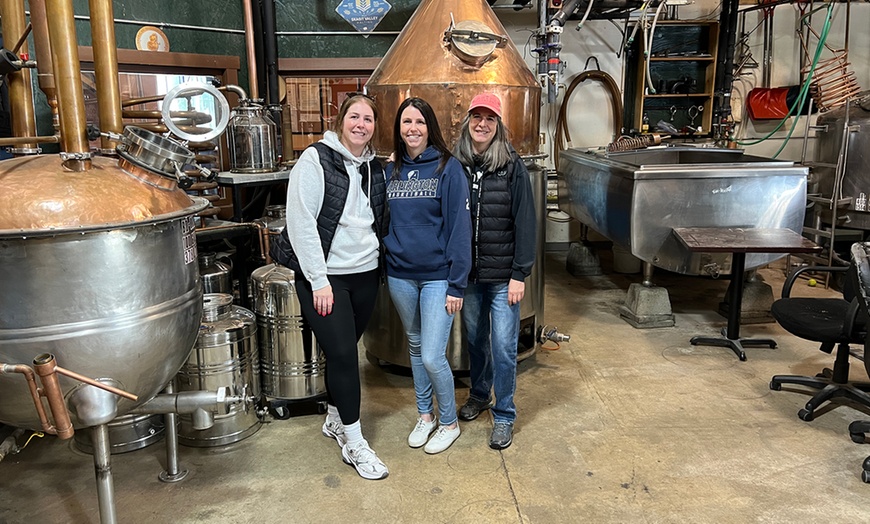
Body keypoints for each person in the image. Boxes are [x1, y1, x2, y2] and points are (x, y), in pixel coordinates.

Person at [271, 93, 389, 480]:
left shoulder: (375, 167)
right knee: (342, 356)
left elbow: (378, 219)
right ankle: (355, 442)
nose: (361, 124)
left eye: (368, 119)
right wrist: (319, 281)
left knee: (345, 349)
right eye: (354, 116)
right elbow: (301, 222)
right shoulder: (315, 159)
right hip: (327, 278)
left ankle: (336, 419)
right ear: (341, 121)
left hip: (365, 272)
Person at [383, 97, 472, 454]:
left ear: (430, 126)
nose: (413, 129)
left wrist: (457, 282)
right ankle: (426, 415)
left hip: (438, 276)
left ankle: (448, 421)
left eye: (419, 122)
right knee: (416, 347)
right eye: (406, 122)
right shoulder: (391, 170)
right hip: (400, 275)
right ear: (398, 129)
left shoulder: (448, 168)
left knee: (434, 355)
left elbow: (459, 228)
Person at [453, 92, 536, 450]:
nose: (482, 123)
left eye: (489, 118)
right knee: (475, 341)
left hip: (504, 277)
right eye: (476, 117)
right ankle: (480, 394)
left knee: (503, 347)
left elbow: (526, 222)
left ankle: (504, 414)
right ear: (468, 121)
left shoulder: (512, 166)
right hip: (470, 277)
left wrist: (520, 272)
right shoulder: (455, 165)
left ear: (498, 124)